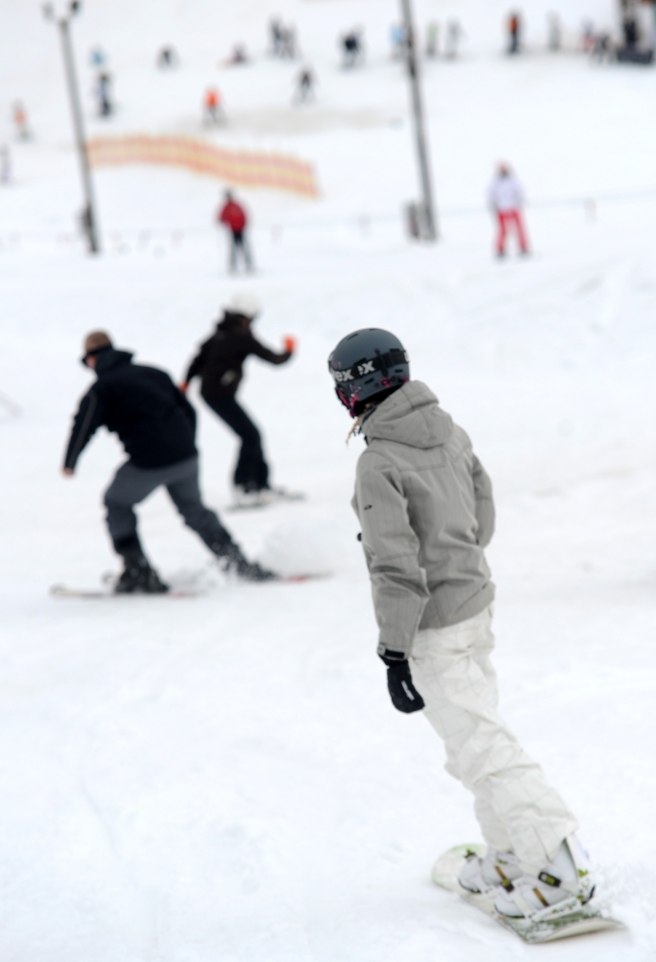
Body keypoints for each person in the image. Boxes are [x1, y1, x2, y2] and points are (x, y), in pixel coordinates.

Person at [327, 327, 595, 925]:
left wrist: (394, 652)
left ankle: (559, 868)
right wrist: (458, 562)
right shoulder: (448, 430)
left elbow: (394, 565)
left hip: (433, 627)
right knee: (471, 740)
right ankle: (510, 854)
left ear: (353, 390)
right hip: (474, 607)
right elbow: (483, 511)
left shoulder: (379, 461)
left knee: (482, 745)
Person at [62, 331, 273, 592]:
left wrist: (70, 461)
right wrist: (185, 444)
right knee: (195, 511)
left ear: (93, 359)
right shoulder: (155, 373)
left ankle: (138, 571)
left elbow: (83, 424)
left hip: (148, 463)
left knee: (116, 503)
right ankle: (238, 564)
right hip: (186, 457)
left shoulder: (102, 388)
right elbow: (188, 409)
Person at [182, 293, 295, 507]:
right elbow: (272, 358)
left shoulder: (220, 333)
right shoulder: (240, 336)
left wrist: (186, 382)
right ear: (247, 317)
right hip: (218, 395)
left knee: (251, 435)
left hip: (214, 394)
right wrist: (288, 351)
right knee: (250, 436)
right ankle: (244, 487)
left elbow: (198, 358)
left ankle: (260, 486)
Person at [487, 163, 529, 258]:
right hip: (501, 209)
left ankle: (523, 247)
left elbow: (520, 192)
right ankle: (500, 250)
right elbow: (490, 194)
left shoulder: (513, 181)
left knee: (519, 229)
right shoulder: (495, 183)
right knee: (503, 231)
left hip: (514, 208)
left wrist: (519, 202)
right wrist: (494, 205)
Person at [217, 190, 253, 273]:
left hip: (240, 230)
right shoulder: (228, 206)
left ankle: (247, 264)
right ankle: (234, 265)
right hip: (234, 230)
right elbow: (222, 217)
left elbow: (243, 216)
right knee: (235, 249)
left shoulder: (234, 206)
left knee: (242, 248)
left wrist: (243, 225)